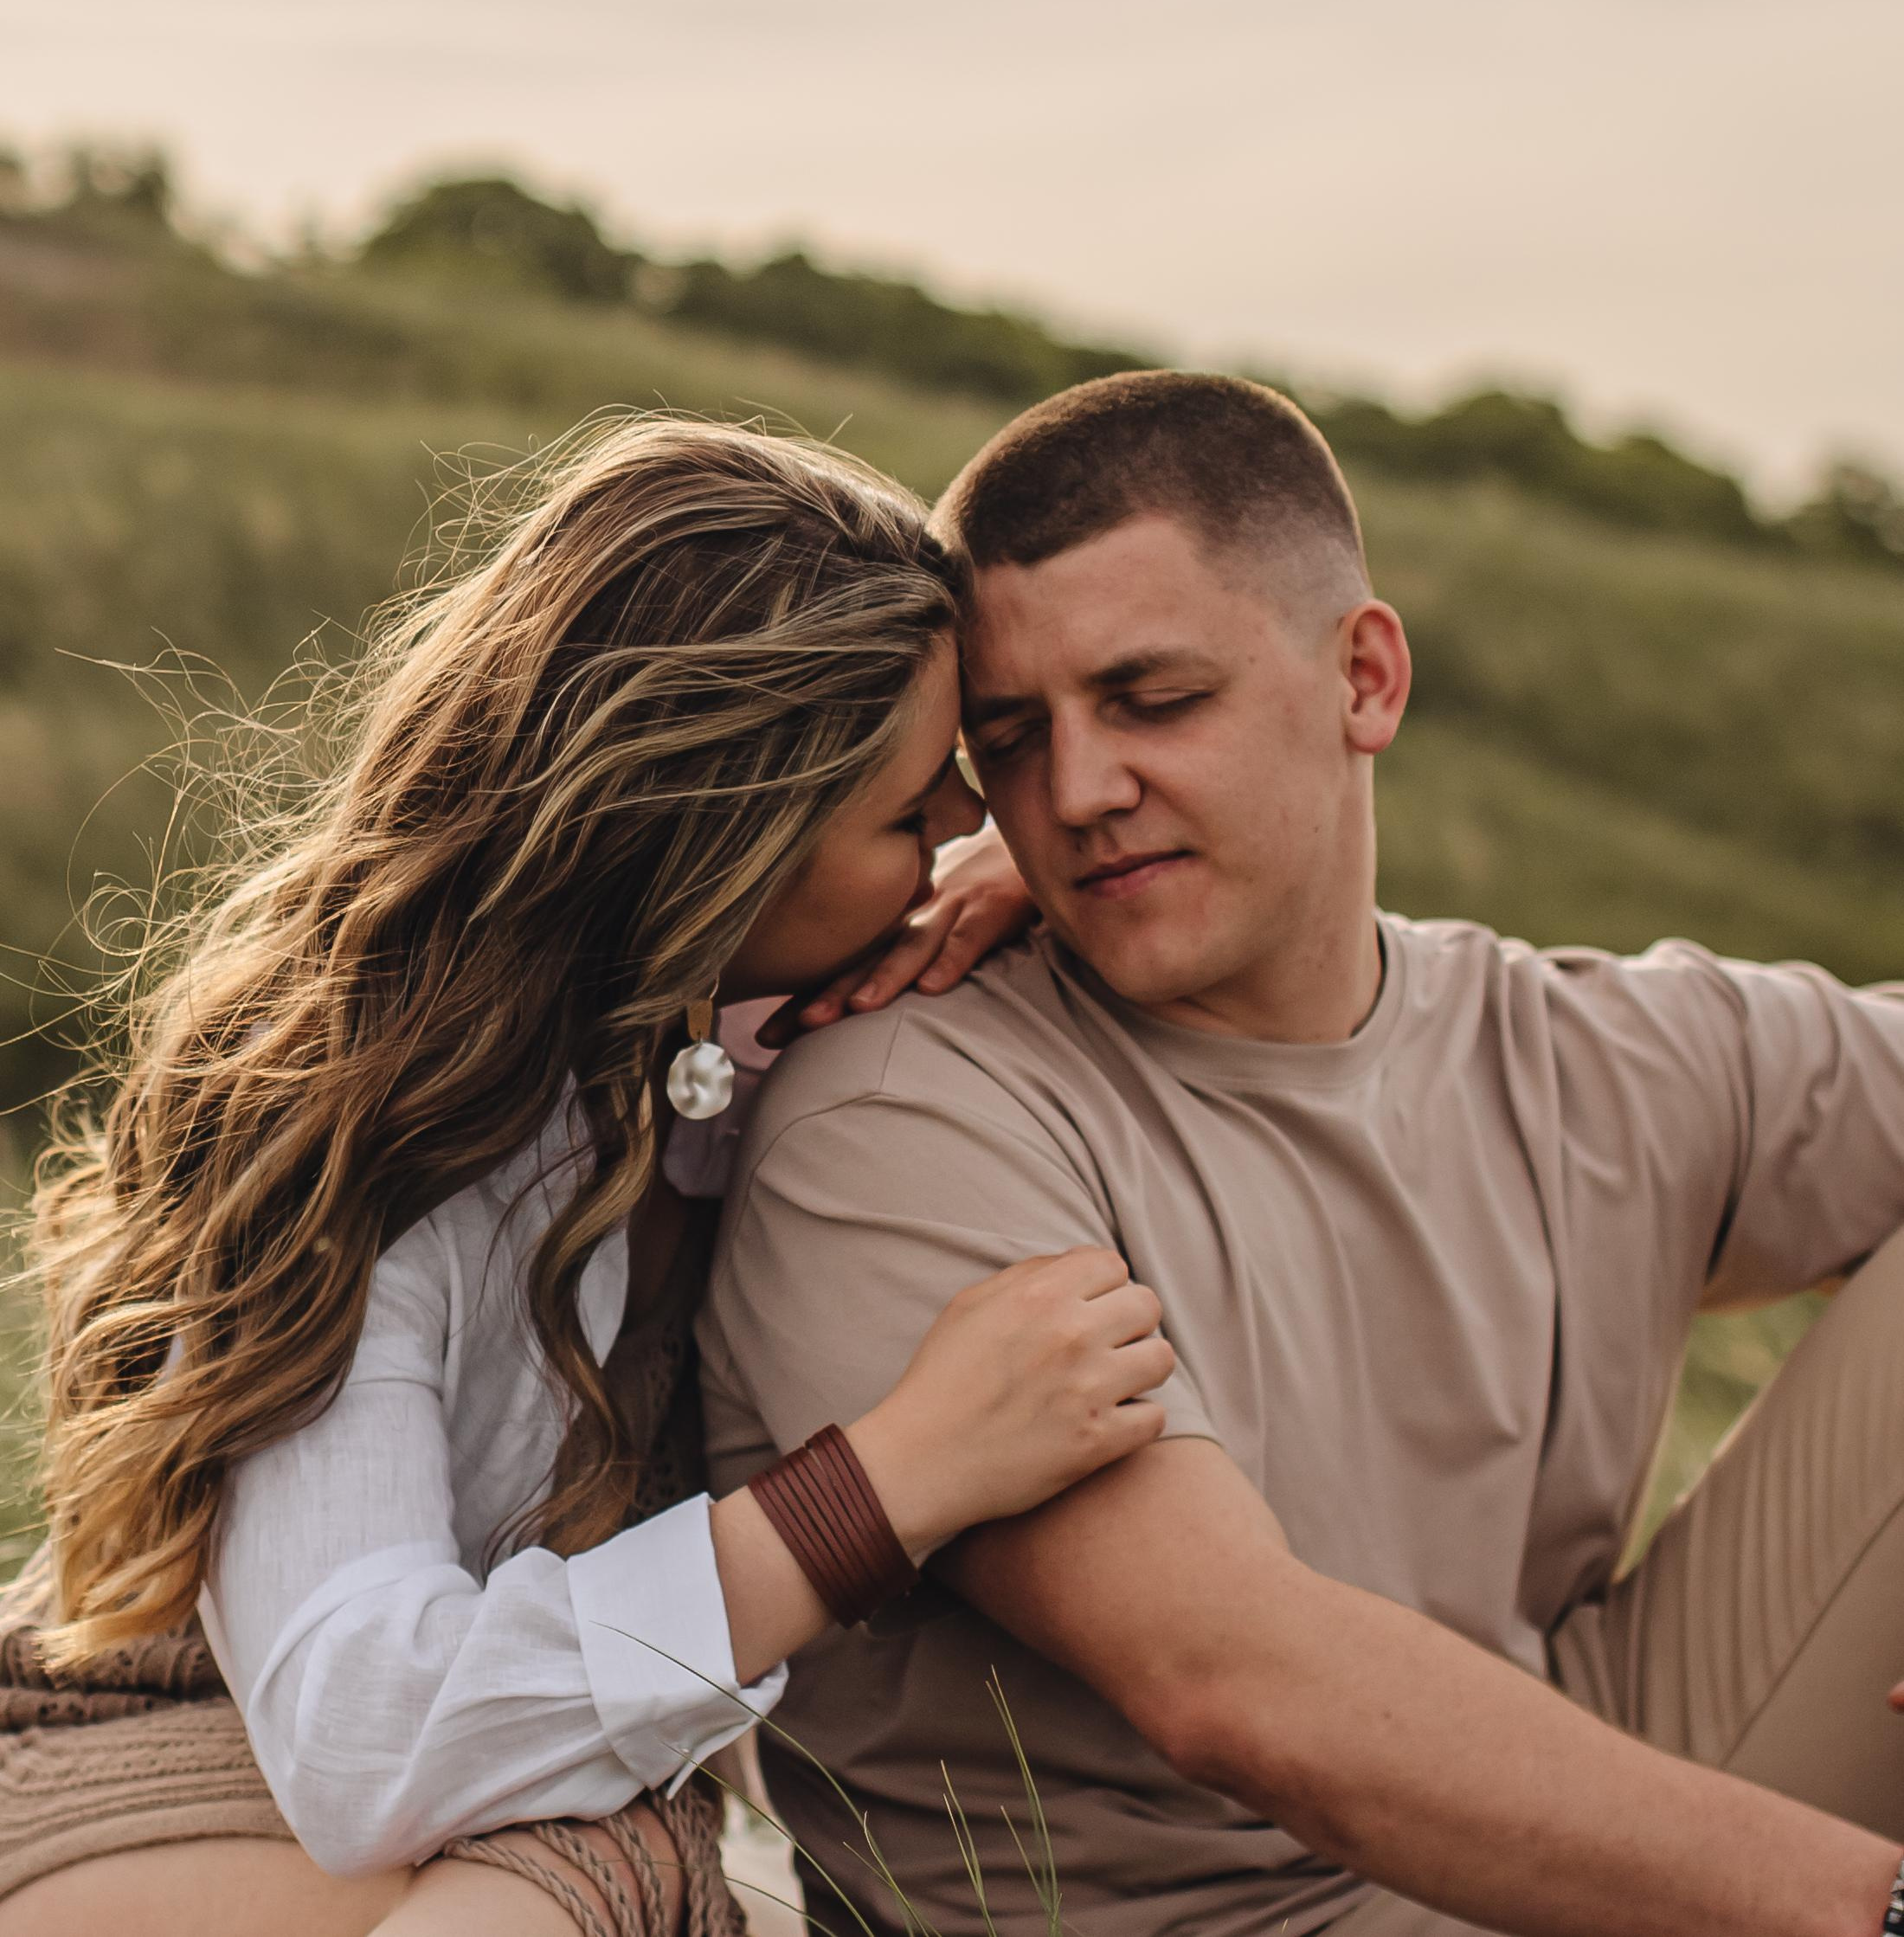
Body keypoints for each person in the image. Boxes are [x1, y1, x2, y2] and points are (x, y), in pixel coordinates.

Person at [699, 370, 1904, 1937]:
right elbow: (1240, 1689)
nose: (1077, 794)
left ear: (1366, 679)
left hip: (1590, 1796)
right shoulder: (899, 1119)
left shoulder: (1585, 1050)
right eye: (1014, 738)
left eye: (1151, 700)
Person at [0, 418, 1174, 1937]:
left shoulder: (710, 1045)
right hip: (126, 1759)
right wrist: (883, 1491)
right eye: (911, 810)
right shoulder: (360, 1126)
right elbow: (362, 1737)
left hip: (400, 1817)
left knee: (637, 1859)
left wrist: (1051, 880)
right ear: (716, 853)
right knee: (620, 1872)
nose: (966, 829)